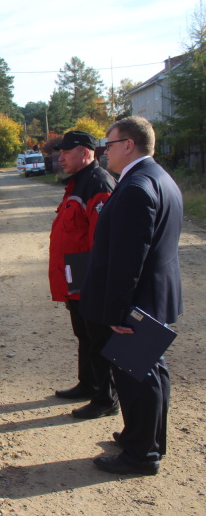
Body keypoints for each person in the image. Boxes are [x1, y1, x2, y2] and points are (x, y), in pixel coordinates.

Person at [80, 116, 183, 476]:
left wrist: (119, 312)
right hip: (154, 296)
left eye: (108, 145)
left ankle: (141, 455)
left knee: (137, 378)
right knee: (151, 373)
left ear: (128, 145)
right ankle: (145, 439)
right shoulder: (159, 178)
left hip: (137, 303)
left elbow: (128, 258)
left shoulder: (137, 186)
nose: (103, 152)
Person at [48, 131, 119, 420]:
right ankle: (88, 384)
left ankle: (106, 398)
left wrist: (97, 283)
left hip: (90, 276)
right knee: (85, 335)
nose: (60, 157)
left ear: (86, 152)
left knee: (99, 338)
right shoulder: (79, 182)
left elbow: (102, 241)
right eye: (59, 152)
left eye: (66, 151)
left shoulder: (98, 183)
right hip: (76, 275)